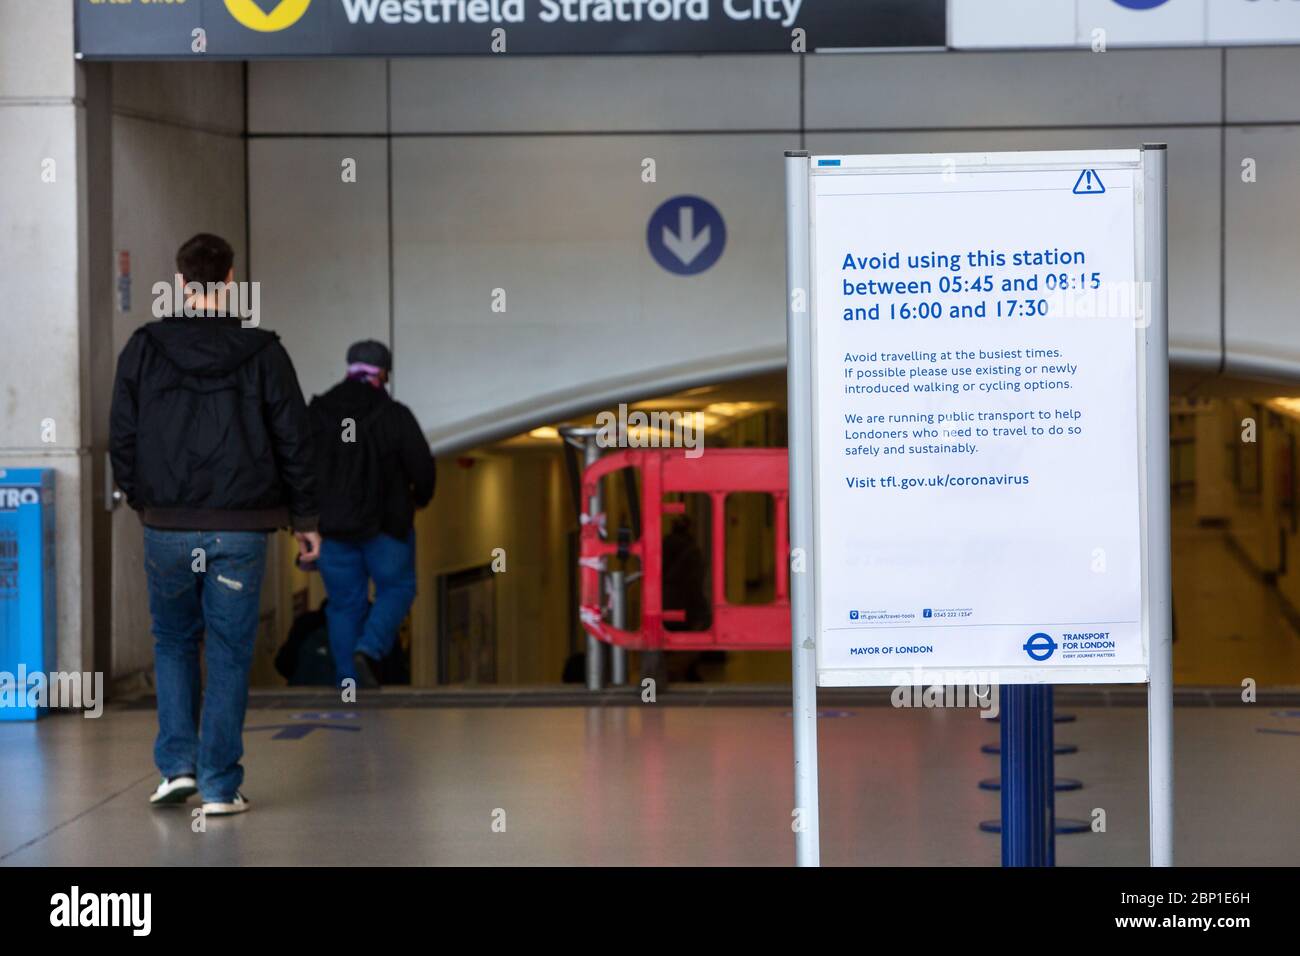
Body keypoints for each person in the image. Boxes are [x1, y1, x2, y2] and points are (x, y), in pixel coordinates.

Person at [110, 233, 320, 817]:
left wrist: (143, 500)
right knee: (229, 652)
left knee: (174, 643)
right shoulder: (265, 353)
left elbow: (121, 435)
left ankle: (176, 769)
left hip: (167, 526)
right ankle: (220, 784)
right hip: (240, 529)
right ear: (231, 283)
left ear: (179, 284)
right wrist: (305, 518)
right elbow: (294, 441)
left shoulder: (144, 348)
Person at [309, 340, 435, 689]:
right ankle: (370, 648)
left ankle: (349, 681)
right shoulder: (395, 415)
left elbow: (300, 466)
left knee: (344, 605)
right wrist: (420, 499)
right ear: (384, 373)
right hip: (387, 528)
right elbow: (422, 467)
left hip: (333, 529)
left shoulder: (319, 412)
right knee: (398, 588)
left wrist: (304, 518)